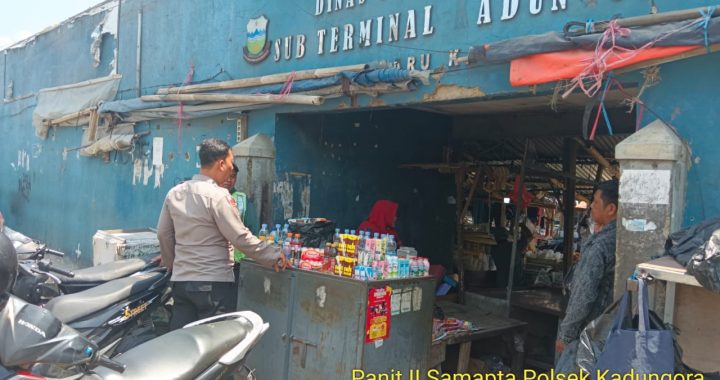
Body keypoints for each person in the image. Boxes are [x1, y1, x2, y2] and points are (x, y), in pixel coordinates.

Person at [157, 138, 287, 331]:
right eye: (231, 162)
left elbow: (163, 235)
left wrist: (172, 265)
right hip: (212, 286)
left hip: (181, 282)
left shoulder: (175, 193)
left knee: (181, 344)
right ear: (221, 163)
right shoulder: (218, 196)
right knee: (214, 346)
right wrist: (273, 255)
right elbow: (239, 237)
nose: (231, 169)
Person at [555, 179, 619, 372]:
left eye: (595, 201)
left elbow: (583, 295)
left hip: (585, 334)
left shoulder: (599, 246)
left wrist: (565, 335)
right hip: (608, 331)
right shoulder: (622, 239)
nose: (591, 205)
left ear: (611, 208)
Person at [220, 164, 248, 262]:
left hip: (238, 259)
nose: (229, 180)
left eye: (233, 176)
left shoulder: (242, 199)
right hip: (216, 258)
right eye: (226, 175)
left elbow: (252, 228)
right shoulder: (209, 197)